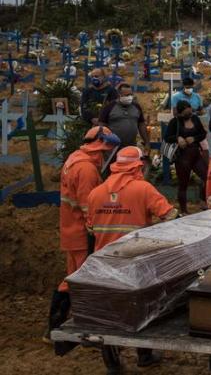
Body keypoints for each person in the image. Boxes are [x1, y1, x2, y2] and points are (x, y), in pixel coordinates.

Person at [86, 146, 177, 373]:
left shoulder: (95, 193)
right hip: (137, 263)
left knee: (109, 314)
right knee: (143, 310)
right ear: (138, 166)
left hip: (105, 263)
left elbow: (90, 228)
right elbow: (171, 216)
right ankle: (144, 355)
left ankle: (113, 364)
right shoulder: (143, 189)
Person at [47, 126, 120, 339]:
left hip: (71, 228)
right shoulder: (86, 169)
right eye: (106, 153)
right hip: (80, 231)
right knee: (77, 281)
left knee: (73, 278)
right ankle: (57, 327)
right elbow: (89, 206)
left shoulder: (74, 159)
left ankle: (56, 326)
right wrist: (98, 230)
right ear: (100, 149)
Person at [164, 101, 208, 214]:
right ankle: (183, 210)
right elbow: (167, 137)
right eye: (185, 113)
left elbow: (203, 133)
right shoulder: (175, 122)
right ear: (180, 113)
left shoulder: (195, 119)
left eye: (190, 112)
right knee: (183, 183)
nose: (188, 114)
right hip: (182, 156)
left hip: (196, 154)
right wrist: (178, 138)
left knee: (207, 177)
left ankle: (203, 201)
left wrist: (194, 138)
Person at [99, 83, 150, 152]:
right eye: (126, 95)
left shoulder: (136, 106)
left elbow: (141, 124)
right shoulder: (109, 107)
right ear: (119, 95)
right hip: (112, 148)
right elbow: (102, 126)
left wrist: (146, 142)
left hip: (131, 146)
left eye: (131, 94)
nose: (129, 97)